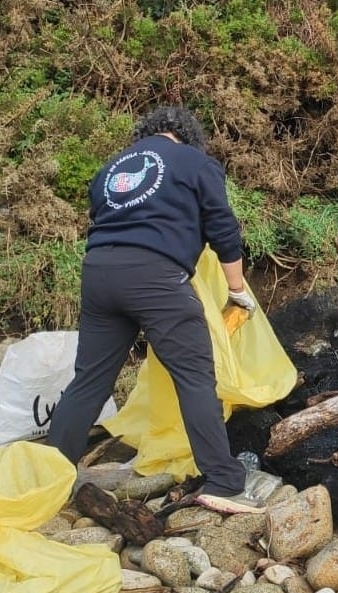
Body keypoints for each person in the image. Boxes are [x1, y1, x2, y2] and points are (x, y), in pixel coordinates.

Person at [47, 106, 259, 510]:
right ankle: (224, 480)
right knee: (194, 377)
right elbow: (222, 228)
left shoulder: (110, 168)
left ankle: (50, 477)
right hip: (156, 278)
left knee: (89, 381)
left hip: (99, 273)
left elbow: (105, 218)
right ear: (189, 137)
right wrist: (236, 289)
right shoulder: (195, 162)